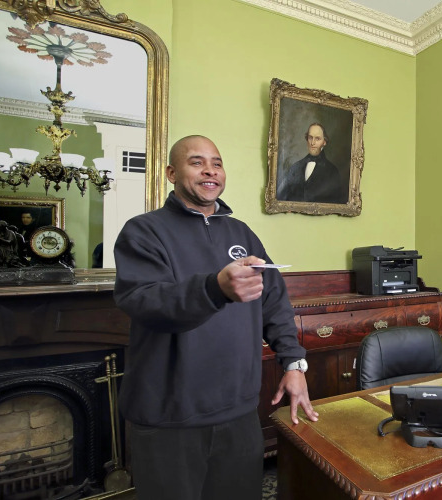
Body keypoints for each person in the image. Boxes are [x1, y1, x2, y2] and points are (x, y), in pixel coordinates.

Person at [112, 135, 318, 500]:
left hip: (239, 412)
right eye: (197, 162)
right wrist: (214, 288)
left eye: (217, 163)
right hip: (169, 417)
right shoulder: (143, 231)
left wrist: (293, 363)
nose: (210, 171)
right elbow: (146, 302)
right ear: (171, 173)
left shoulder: (242, 233)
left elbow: (274, 303)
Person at [277, 122, 348, 203]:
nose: (312, 143)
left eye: (317, 139)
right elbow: (284, 198)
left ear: (324, 142)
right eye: (310, 138)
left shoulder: (332, 171)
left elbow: (335, 203)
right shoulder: (295, 167)